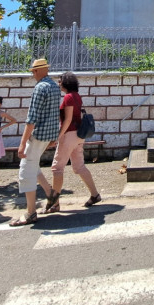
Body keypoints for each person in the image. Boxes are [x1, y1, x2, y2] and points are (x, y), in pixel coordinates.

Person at [10, 58, 58, 226]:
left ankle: (30, 213)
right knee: (33, 165)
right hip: (48, 135)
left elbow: (32, 118)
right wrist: (53, 137)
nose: (33, 74)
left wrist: (22, 142)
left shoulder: (40, 88)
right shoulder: (54, 86)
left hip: (37, 136)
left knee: (26, 172)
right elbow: (53, 114)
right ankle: (51, 195)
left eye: (34, 71)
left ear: (38, 71)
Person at [46, 72, 101, 213]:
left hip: (69, 134)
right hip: (78, 135)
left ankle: (55, 204)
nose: (58, 84)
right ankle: (95, 194)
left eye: (60, 81)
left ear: (65, 82)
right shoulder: (76, 96)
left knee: (57, 168)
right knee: (79, 166)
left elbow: (68, 119)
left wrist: (58, 136)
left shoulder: (69, 97)